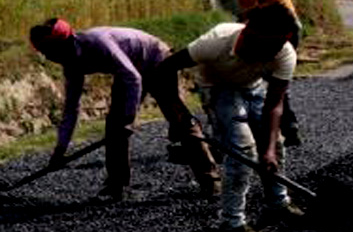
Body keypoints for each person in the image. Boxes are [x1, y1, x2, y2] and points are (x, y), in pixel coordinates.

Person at [155, 4, 303, 232]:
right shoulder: (217, 40)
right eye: (259, 44)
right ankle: (232, 225)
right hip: (217, 88)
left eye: (272, 48)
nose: (264, 52)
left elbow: (274, 106)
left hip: (253, 88)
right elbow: (165, 68)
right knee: (242, 149)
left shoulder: (284, 53)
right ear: (247, 30)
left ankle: (278, 203)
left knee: (274, 143)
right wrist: (177, 112)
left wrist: (268, 152)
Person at [29, 19, 220, 203]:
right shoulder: (71, 64)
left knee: (180, 121)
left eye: (47, 51)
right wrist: (60, 149)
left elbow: (134, 79)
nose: (46, 57)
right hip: (129, 68)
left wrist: (129, 119)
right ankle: (116, 185)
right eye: (43, 52)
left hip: (157, 60)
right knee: (114, 127)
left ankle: (211, 182)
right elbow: (71, 108)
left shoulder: (99, 42)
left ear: (62, 44)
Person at [201, 0, 304, 147]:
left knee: (259, 76)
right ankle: (287, 126)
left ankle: (275, 128)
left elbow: (250, 23)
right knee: (272, 77)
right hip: (285, 27)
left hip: (278, 30)